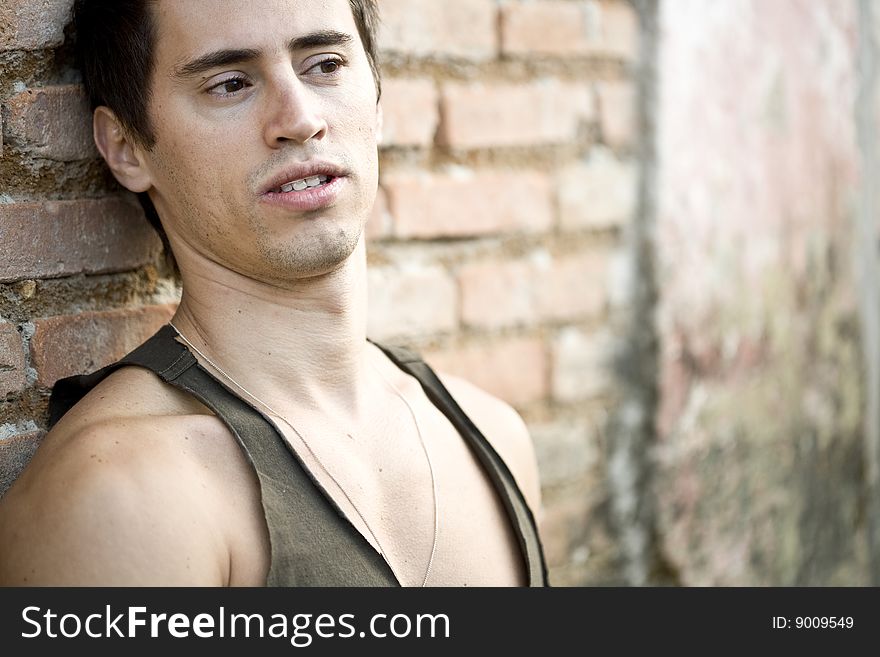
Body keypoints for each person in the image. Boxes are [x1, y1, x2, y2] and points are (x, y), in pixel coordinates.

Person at [0, 0, 547, 587]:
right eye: (230, 83)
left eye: (326, 65)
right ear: (128, 148)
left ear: (378, 97)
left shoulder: (494, 436)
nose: (301, 117)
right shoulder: (121, 492)